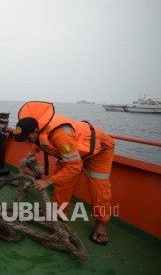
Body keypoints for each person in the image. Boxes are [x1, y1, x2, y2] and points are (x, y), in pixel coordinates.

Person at [14, 101, 115, 245]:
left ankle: (101, 223)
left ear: (35, 131)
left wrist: (47, 181)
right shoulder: (39, 129)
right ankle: (60, 214)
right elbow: (40, 142)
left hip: (99, 151)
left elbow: (74, 166)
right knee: (62, 183)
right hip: (71, 151)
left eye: (28, 137)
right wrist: (32, 152)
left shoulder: (61, 135)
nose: (27, 140)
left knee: (98, 188)